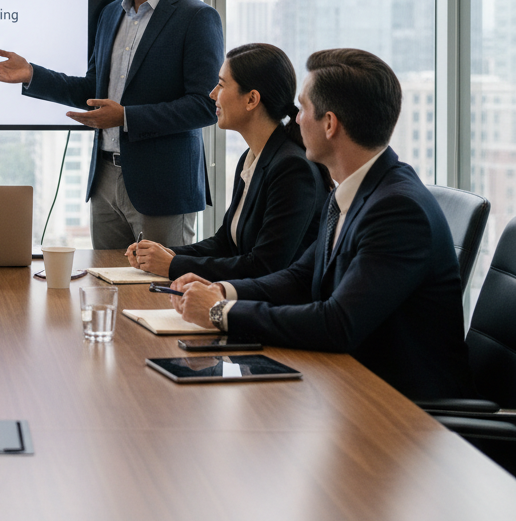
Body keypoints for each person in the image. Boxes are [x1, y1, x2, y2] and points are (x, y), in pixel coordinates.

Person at [172, 48, 473, 401]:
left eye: (302, 110)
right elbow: (300, 278)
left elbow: (337, 324)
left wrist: (221, 312)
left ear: (329, 124)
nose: (294, 120)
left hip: (401, 412)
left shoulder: (397, 210)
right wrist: (223, 291)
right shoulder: (353, 189)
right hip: (346, 385)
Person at [0, 0, 223, 249]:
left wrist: (124, 117)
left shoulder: (196, 17)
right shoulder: (110, 14)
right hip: (104, 180)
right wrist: (32, 74)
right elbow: (93, 89)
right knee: (105, 284)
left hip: (163, 187)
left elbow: (205, 106)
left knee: (159, 294)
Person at [125, 43, 330, 282]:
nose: (212, 94)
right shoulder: (251, 157)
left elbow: (265, 266)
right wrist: (164, 255)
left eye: (221, 85)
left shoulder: (292, 169)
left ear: (252, 99)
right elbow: (225, 243)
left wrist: (173, 265)